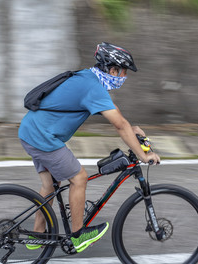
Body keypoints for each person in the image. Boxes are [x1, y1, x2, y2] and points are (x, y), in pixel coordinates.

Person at [18, 42, 161, 253]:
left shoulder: (89, 78)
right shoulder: (93, 87)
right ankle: (78, 235)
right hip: (42, 137)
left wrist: (132, 129)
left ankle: (37, 235)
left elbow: (119, 117)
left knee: (50, 185)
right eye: (123, 72)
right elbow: (119, 124)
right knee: (79, 178)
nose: (124, 77)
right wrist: (143, 154)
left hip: (32, 131)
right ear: (112, 70)